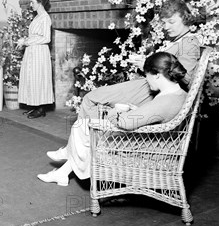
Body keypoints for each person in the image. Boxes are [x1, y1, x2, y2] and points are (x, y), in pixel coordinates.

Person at [46, 0, 202, 162]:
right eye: (164, 22)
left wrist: (148, 65)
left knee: (91, 99)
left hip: (150, 91)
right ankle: (76, 152)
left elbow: (187, 78)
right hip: (146, 85)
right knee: (92, 101)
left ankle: (76, 153)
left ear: (185, 18)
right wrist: (147, 62)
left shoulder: (189, 42)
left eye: (171, 21)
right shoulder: (177, 39)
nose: (167, 27)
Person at [38, 52, 188, 186]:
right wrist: (137, 111)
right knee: (84, 127)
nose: (146, 81)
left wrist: (115, 111)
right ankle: (63, 172)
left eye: (147, 75)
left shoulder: (165, 101)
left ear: (156, 75)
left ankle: (67, 160)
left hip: (148, 148)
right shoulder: (177, 93)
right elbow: (154, 114)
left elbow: (125, 123)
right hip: (157, 142)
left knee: (83, 127)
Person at [17, 0, 54, 119]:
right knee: (32, 78)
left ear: (40, 2)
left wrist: (26, 41)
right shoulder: (37, 17)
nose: (30, 5)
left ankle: (41, 109)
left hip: (39, 52)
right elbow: (35, 35)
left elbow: (46, 38)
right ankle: (35, 106)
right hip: (32, 51)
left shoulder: (45, 17)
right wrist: (25, 41)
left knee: (39, 78)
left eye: (32, 2)